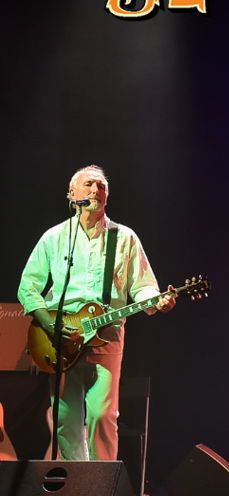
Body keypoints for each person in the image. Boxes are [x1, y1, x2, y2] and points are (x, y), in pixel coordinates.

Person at [17, 165, 176, 461]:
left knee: (103, 414)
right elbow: (28, 287)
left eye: (102, 186)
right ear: (72, 193)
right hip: (61, 337)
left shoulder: (124, 237)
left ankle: (103, 484)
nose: (96, 191)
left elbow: (143, 286)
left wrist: (157, 301)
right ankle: (77, 481)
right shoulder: (55, 237)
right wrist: (49, 323)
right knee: (65, 417)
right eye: (89, 184)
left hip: (107, 334)